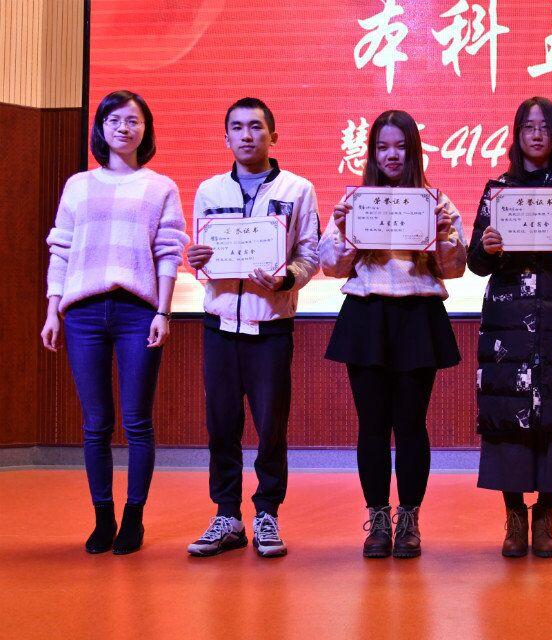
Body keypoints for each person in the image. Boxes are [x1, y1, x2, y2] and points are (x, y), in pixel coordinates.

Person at [41, 90, 188, 555]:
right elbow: (61, 249)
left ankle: (134, 519)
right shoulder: (78, 185)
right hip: (83, 313)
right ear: (101, 128)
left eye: (134, 120)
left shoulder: (160, 187)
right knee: (96, 423)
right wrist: (52, 309)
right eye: (115, 120)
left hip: (137, 311)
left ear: (146, 129)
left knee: (137, 421)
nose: (124, 127)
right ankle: (103, 517)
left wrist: (163, 311)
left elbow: (169, 252)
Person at [320, 110, 466, 559]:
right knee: (372, 425)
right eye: (383, 147)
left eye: (400, 147)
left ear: (414, 152)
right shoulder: (355, 203)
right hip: (367, 316)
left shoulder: (436, 202)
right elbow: (331, 266)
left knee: (411, 425)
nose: (392, 155)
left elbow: (455, 269)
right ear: (372, 153)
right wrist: (342, 229)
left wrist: (443, 236)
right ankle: (378, 520)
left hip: (417, 316)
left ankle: (410, 520)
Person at [468, 97, 552, 558]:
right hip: (508, 319)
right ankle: (513, 518)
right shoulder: (498, 190)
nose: (536, 134)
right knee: (507, 412)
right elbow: (475, 263)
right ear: (517, 134)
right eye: (528, 126)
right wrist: (487, 247)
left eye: (545, 127)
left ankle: (545, 516)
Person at [185, 97, 319, 558]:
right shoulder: (209, 191)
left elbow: (310, 254)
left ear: (273, 136)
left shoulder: (298, 189)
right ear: (225, 137)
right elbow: (203, 259)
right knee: (221, 424)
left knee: (271, 426)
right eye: (238, 127)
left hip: (271, 327)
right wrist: (196, 260)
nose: (247, 135)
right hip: (219, 325)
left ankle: (267, 513)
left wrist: (287, 279)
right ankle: (227, 515)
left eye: (256, 127)